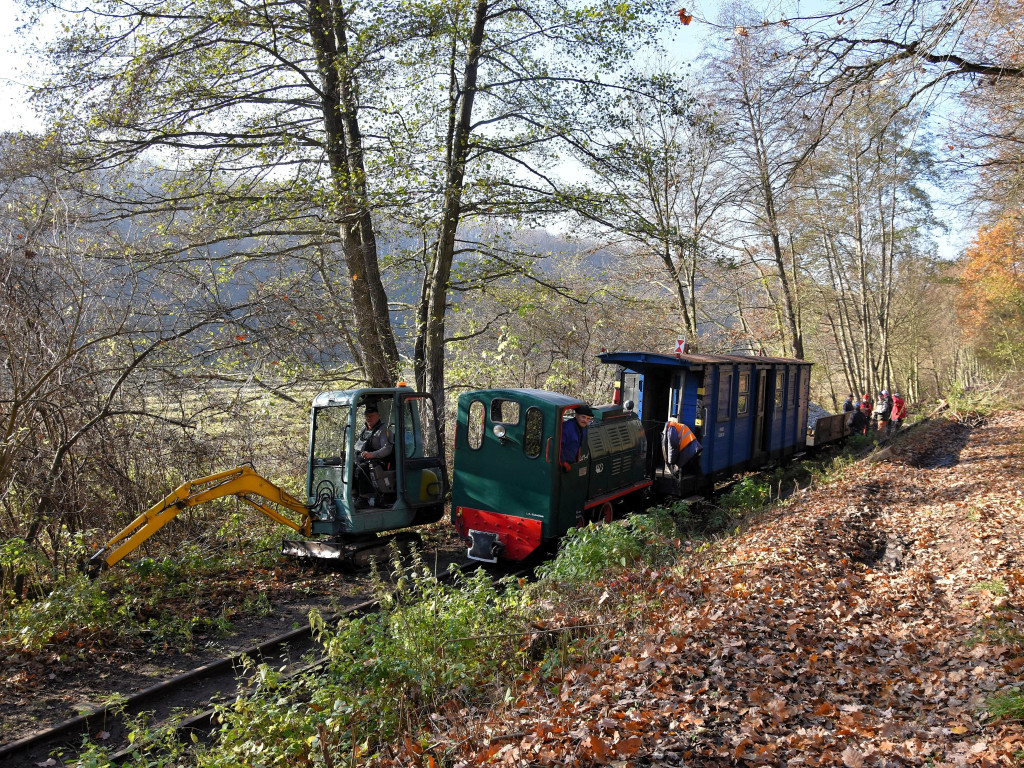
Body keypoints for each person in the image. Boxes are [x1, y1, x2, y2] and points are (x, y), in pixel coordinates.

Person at [354, 404, 393, 507]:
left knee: (361, 469)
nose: (368, 418)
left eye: (371, 416)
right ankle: (353, 494)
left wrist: (372, 454)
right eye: (367, 416)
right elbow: (358, 444)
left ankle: (363, 498)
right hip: (363, 458)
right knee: (348, 467)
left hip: (379, 460)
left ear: (378, 416)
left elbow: (387, 449)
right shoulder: (364, 428)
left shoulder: (383, 429)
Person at [662, 412, 702, 476]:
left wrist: (671, 461)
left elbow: (673, 446)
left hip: (690, 449)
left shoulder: (671, 428)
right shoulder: (674, 426)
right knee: (693, 467)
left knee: (686, 468)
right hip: (693, 448)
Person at [560, 404, 593, 471]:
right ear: (576, 415)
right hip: (562, 466)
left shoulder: (583, 428)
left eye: (588, 418)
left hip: (572, 463)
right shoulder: (566, 428)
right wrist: (563, 462)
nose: (585, 421)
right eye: (583, 417)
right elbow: (558, 446)